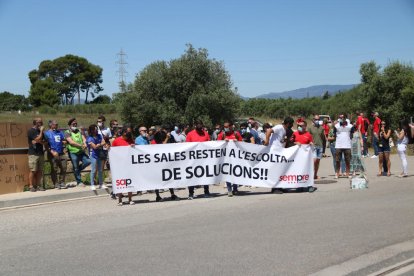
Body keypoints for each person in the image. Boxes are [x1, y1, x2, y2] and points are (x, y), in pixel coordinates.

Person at [264, 117, 294, 194]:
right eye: (291, 124)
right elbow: (269, 131)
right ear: (288, 124)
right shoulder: (279, 127)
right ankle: (274, 188)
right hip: (274, 151)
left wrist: (286, 140)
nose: (292, 125)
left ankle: (280, 186)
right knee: (275, 170)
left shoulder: (285, 130)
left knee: (280, 170)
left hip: (280, 151)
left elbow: (281, 140)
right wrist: (267, 140)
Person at [185, 119, 211, 199]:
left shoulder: (206, 134)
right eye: (198, 125)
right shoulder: (190, 134)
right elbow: (187, 147)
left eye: (201, 125)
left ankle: (206, 191)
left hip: (204, 159)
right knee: (192, 176)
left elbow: (209, 145)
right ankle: (191, 193)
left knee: (205, 175)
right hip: (193, 160)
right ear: (195, 125)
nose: (200, 126)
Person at [152, 129, 179, 201]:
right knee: (158, 180)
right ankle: (158, 196)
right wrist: (167, 138)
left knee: (169, 178)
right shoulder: (154, 143)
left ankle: (172, 194)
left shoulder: (155, 142)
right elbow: (162, 147)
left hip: (165, 164)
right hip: (158, 164)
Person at [290, 119, 317, 193]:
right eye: (298, 125)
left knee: (308, 170)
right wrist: (295, 142)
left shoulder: (308, 135)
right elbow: (290, 142)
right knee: (298, 170)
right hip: (297, 157)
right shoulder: (295, 134)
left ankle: (310, 186)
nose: (299, 127)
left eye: (301, 126)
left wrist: (311, 144)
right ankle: (299, 185)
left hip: (306, 158)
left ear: (305, 126)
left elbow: (311, 145)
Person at [218, 121, 242, 196]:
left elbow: (242, 143)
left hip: (235, 157)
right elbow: (217, 144)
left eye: (227, 126)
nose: (226, 128)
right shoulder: (222, 134)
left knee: (235, 172)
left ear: (231, 126)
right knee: (227, 173)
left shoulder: (236, 134)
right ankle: (229, 189)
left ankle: (235, 188)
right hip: (226, 158)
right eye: (224, 127)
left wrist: (237, 141)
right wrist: (223, 141)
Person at [112, 126, 135, 205]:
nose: (129, 133)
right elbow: (112, 152)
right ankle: (120, 200)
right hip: (119, 165)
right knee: (120, 182)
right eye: (128, 131)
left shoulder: (130, 140)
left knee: (129, 182)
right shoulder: (116, 141)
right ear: (124, 132)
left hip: (129, 164)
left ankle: (130, 199)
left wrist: (133, 147)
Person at [65, 118, 90, 187]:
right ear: (70, 125)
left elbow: (84, 138)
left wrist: (84, 143)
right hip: (73, 152)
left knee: (88, 161)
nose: (75, 125)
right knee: (75, 166)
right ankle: (79, 182)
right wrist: (81, 145)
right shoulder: (67, 132)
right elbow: (71, 142)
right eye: (73, 124)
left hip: (81, 151)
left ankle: (77, 171)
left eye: (76, 124)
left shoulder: (79, 131)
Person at [44, 120, 68, 189]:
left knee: (64, 167)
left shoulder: (60, 132)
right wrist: (52, 151)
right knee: (54, 168)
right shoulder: (47, 133)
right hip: (52, 153)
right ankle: (56, 183)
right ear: (51, 125)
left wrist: (64, 142)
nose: (57, 126)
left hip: (61, 152)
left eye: (57, 124)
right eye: (55, 124)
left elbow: (63, 140)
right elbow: (46, 144)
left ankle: (62, 182)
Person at [27, 118, 46, 192]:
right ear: (35, 123)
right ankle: (31, 186)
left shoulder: (41, 132)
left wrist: (39, 140)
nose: (41, 124)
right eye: (39, 122)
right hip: (33, 154)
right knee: (33, 170)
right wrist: (41, 132)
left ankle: (38, 185)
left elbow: (44, 141)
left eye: (41, 122)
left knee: (40, 170)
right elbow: (37, 139)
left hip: (40, 153)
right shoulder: (31, 131)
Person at [86, 124, 107, 190]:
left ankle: (101, 183)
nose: (96, 130)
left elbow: (104, 142)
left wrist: (99, 144)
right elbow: (94, 147)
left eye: (96, 129)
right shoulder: (89, 138)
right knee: (94, 170)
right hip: (93, 155)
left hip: (99, 155)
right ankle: (92, 184)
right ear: (92, 130)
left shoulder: (99, 136)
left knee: (100, 170)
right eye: (95, 129)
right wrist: (98, 145)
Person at [334, 115, 353, 179]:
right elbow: (334, 134)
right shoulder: (336, 126)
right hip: (338, 145)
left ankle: (347, 173)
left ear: (345, 118)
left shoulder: (350, 126)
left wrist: (349, 139)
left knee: (348, 160)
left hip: (347, 145)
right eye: (340, 118)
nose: (342, 119)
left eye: (343, 117)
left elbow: (352, 134)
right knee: (337, 160)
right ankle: (337, 173)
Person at [308, 115, 325, 180]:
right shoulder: (310, 128)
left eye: (318, 119)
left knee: (317, 161)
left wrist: (323, 150)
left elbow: (323, 138)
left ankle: (315, 175)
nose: (317, 120)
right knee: (314, 161)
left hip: (320, 146)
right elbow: (308, 136)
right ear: (313, 120)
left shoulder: (321, 128)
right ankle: (311, 174)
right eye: (315, 119)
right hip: (313, 146)